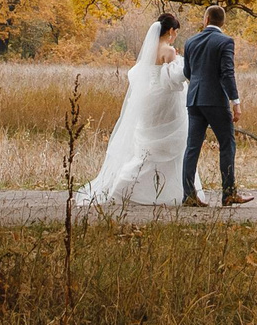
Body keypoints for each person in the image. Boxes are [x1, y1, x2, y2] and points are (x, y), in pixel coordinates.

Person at [75, 12, 186, 208]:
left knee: (147, 147)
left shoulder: (149, 50)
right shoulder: (168, 51)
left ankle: (126, 185)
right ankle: (163, 190)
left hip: (148, 100)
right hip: (166, 101)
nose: (175, 36)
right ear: (170, 31)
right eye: (175, 32)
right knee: (169, 144)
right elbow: (171, 80)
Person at [181, 5, 251, 207]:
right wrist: (235, 102)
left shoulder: (190, 41)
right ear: (222, 22)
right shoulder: (225, 41)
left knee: (192, 147)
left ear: (206, 19)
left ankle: (189, 195)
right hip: (215, 101)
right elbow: (227, 73)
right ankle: (228, 193)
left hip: (194, 99)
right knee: (227, 143)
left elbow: (187, 72)